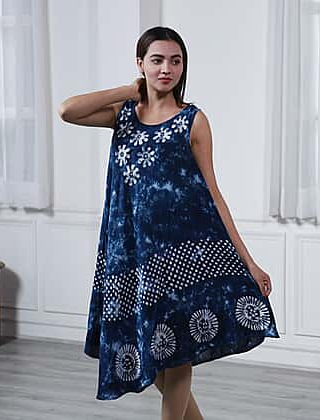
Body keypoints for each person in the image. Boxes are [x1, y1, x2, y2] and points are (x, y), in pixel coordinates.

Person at [58, 26, 280, 420]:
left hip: (185, 257)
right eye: (157, 60)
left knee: (177, 355)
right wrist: (128, 91)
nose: (167, 69)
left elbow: (214, 194)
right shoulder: (122, 115)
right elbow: (67, 110)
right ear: (140, 64)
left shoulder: (193, 121)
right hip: (133, 256)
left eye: (175, 61)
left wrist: (250, 262)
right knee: (157, 355)